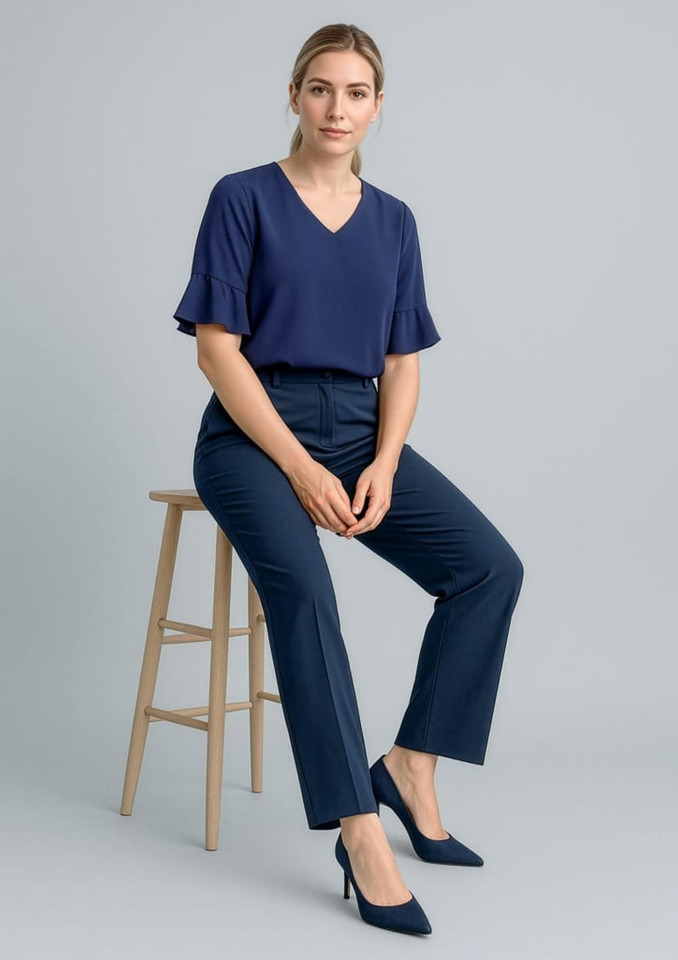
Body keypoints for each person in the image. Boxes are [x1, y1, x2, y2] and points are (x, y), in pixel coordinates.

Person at [172, 22, 524, 936]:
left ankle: (410, 765)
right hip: (253, 437)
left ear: (377, 106)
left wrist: (381, 462)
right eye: (321, 88)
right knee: (308, 595)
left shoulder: (394, 218)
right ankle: (358, 832)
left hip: (363, 428)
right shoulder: (243, 197)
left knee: (489, 569)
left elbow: (403, 362)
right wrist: (298, 469)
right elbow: (218, 352)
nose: (338, 108)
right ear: (294, 95)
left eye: (357, 92)